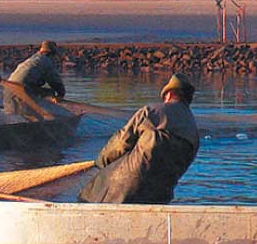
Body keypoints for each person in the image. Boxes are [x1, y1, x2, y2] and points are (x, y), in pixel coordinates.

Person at [78, 73, 202, 204]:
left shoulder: (152, 112)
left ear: (169, 94)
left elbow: (120, 143)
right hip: (160, 195)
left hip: (124, 188)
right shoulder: (194, 131)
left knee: (89, 193)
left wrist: (101, 161)